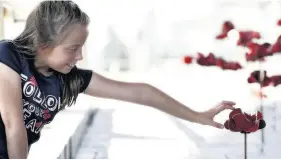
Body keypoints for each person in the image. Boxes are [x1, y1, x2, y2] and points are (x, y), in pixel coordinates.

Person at [0, 1, 235, 159]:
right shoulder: (8, 55)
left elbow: (142, 93)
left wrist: (197, 116)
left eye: (82, 47)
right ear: (44, 44)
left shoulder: (69, 79)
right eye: (73, 48)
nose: (80, 56)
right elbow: (13, 124)